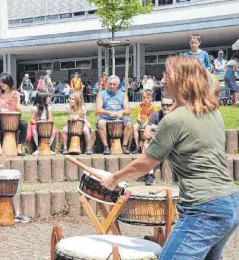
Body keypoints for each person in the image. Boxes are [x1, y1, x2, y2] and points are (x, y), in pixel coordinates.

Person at [101, 55, 238, 260]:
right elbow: (211, 81)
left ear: (182, 80)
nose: (163, 79)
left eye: (168, 74)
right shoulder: (211, 111)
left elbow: (146, 163)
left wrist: (114, 178)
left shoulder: (175, 120)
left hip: (204, 209)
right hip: (230, 202)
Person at [0, 73, 27, 156]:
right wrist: (1, 110)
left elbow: (20, 111)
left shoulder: (16, 94)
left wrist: (15, 104)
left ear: (9, 82)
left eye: (3, 82)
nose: (1, 84)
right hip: (0, 121)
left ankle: (19, 147)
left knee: (24, 124)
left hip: (13, 121)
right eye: (0, 82)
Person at [95, 75, 133, 155]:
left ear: (118, 84)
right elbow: (98, 110)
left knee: (129, 123)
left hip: (119, 118)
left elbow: (128, 111)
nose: (112, 86)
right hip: (105, 118)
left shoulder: (123, 95)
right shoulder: (101, 94)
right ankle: (106, 146)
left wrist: (122, 112)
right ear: (107, 84)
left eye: (114, 84)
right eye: (110, 84)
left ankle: (124, 146)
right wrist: (109, 113)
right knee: (101, 123)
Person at [142, 96, 175, 185]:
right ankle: (150, 175)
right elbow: (145, 134)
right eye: (163, 104)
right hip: (160, 144)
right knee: (146, 144)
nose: (165, 107)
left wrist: (157, 129)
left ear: (173, 105)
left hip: (174, 145)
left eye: (168, 105)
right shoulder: (156, 115)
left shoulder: (177, 116)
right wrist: (149, 134)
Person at [26, 91, 57, 155]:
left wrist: (47, 122)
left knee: (53, 131)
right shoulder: (35, 108)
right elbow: (32, 119)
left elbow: (50, 118)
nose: (49, 99)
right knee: (35, 132)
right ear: (42, 99)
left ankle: (48, 147)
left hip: (46, 124)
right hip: (37, 124)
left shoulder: (48, 108)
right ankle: (38, 148)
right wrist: (37, 123)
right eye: (47, 97)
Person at [131, 89, 158, 155]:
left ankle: (148, 145)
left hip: (150, 124)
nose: (145, 99)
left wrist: (146, 123)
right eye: (144, 97)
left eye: (147, 98)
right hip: (141, 123)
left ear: (151, 98)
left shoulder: (154, 107)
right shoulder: (139, 106)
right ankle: (137, 147)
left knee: (147, 124)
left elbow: (154, 119)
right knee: (135, 126)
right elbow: (138, 118)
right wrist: (141, 121)